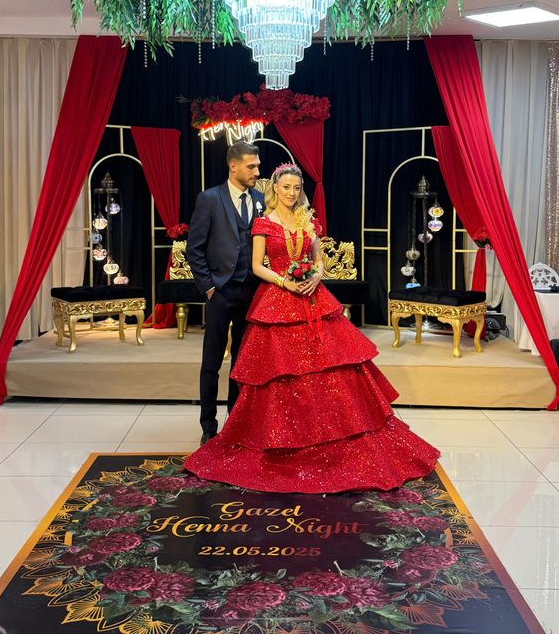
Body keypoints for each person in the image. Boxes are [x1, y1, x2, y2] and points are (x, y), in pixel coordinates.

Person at [185, 162, 440, 492]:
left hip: (313, 297)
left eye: (296, 188)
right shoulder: (263, 222)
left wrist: (316, 276)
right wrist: (285, 282)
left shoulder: (308, 220)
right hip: (278, 300)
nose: (291, 193)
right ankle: (280, 438)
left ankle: (330, 435)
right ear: (275, 188)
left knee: (327, 371)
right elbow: (257, 266)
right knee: (282, 373)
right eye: (286, 187)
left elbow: (318, 261)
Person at [186, 142, 265, 446]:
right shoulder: (209, 199)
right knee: (212, 362)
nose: (257, 172)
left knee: (242, 363)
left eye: (257, 166)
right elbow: (194, 249)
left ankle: (235, 423)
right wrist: (209, 287)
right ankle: (208, 427)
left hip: (251, 293)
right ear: (233, 166)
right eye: (251, 166)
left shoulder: (260, 200)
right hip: (220, 292)